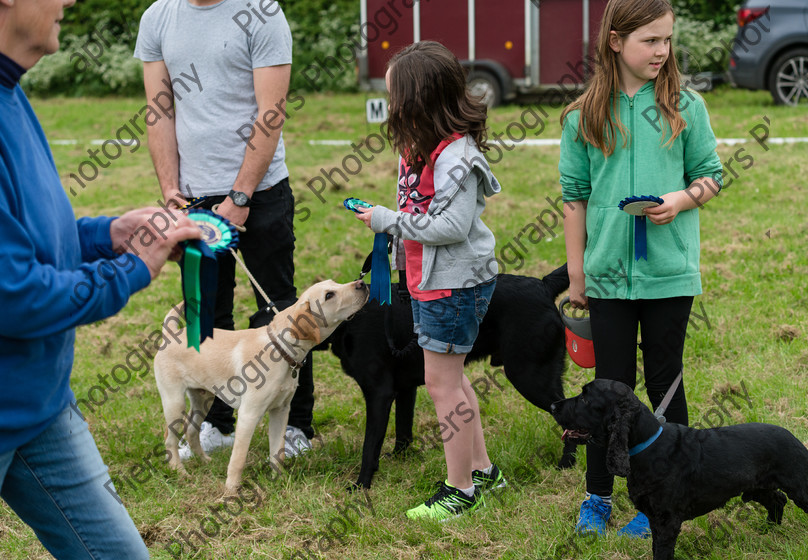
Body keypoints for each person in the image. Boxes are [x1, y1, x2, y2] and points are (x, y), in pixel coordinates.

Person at [0, 0, 202, 556]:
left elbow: (28, 236)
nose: (68, 1)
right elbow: (14, 296)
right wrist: (132, 267)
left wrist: (106, 233)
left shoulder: (11, 93)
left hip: (41, 408)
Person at [559, 0, 723, 539]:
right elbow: (575, 198)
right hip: (606, 276)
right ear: (615, 41)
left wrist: (680, 198)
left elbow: (710, 177)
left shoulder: (687, 106)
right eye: (649, 40)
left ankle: (665, 501)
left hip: (669, 274)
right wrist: (578, 275)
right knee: (609, 389)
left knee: (665, 385)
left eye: (667, 40)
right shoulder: (583, 115)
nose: (662, 51)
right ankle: (598, 498)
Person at [134, 0, 314, 459]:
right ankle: (214, 423)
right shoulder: (158, 17)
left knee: (277, 310)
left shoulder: (263, 12)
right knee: (204, 315)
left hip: (262, 192)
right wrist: (171, 188)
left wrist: (240, 196)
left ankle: (295, 425)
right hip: (194, 200)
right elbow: (160, 112)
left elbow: (270, 111)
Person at [355, 41, 504, 521]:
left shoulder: (457, 158)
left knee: (441, 386)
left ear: (419, 98)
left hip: (455, 285)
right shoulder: (416, 147)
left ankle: (459, 489)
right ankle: (482, 472)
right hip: (429, 279)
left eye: (395, 91)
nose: (389, 99)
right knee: (452, 380)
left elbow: (450, 228)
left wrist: (387, 221)